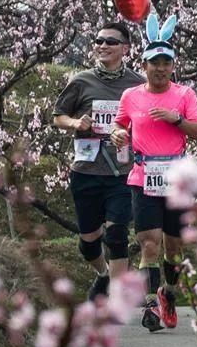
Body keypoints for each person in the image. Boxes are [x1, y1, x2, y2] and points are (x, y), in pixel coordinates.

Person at [111, 14, 197, 332]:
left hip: (176, 179)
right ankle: (151, 304)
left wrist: (175, 119)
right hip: (143, 177)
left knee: (174, 247)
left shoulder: (184, 95)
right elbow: (119, 124)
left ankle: (168, 294)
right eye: (155, 62)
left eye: (166, 62)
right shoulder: (131, 96)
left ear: (173, 65)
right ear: (145, 64)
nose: (160, 67)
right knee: (149, 243)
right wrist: (117, 134)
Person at [53, 21, 144, 301]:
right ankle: (103, 274)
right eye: (98, 40)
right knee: (89, 241)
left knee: (117, 235)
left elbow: (146, 123)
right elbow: (58, 117)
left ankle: (115, 301)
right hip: (87, 171)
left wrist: (129, 135)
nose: (102, 45)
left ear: (125, 49)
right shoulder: (81, 81)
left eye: (110, 41)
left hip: (122, 171)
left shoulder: (138, 84)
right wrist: (76, 123)